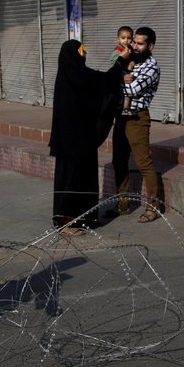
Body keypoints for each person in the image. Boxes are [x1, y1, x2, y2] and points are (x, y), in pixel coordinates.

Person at [49, 39, 129, 235]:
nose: (84, 55)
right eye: (82, 51)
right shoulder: (76, 77)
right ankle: (66, 222)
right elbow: (101, 82)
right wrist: (119, 63)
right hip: (73, 141)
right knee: (71, 179)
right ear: (73, 54)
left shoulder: (71, 75)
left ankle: (83, 218)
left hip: (78, 139)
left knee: (81, 178)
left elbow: (98, 82)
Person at [110, 26, 162, 223]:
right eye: (134, 42)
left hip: (137, 118)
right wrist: (119, 75)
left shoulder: (151, 66)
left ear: (150, 46)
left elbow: (131, 89)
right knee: (118, 161)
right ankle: (123, 203)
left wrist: (115, 80)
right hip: (121, 116)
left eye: (140, 43)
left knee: (143, 163)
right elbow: (115, 75)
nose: (135, 46)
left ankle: (153, 207)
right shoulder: (130, 61)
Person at [109, 26, 136, 115]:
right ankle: (124, 109)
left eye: (129, 38)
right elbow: (113, 63)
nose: (126, 40)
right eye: (123, 38)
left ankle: (126, 109)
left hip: (127, 75)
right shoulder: (118, 51)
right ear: (118, 39)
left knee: (128, 93)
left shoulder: (130, 50)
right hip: (120, 76)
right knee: (124, 93)